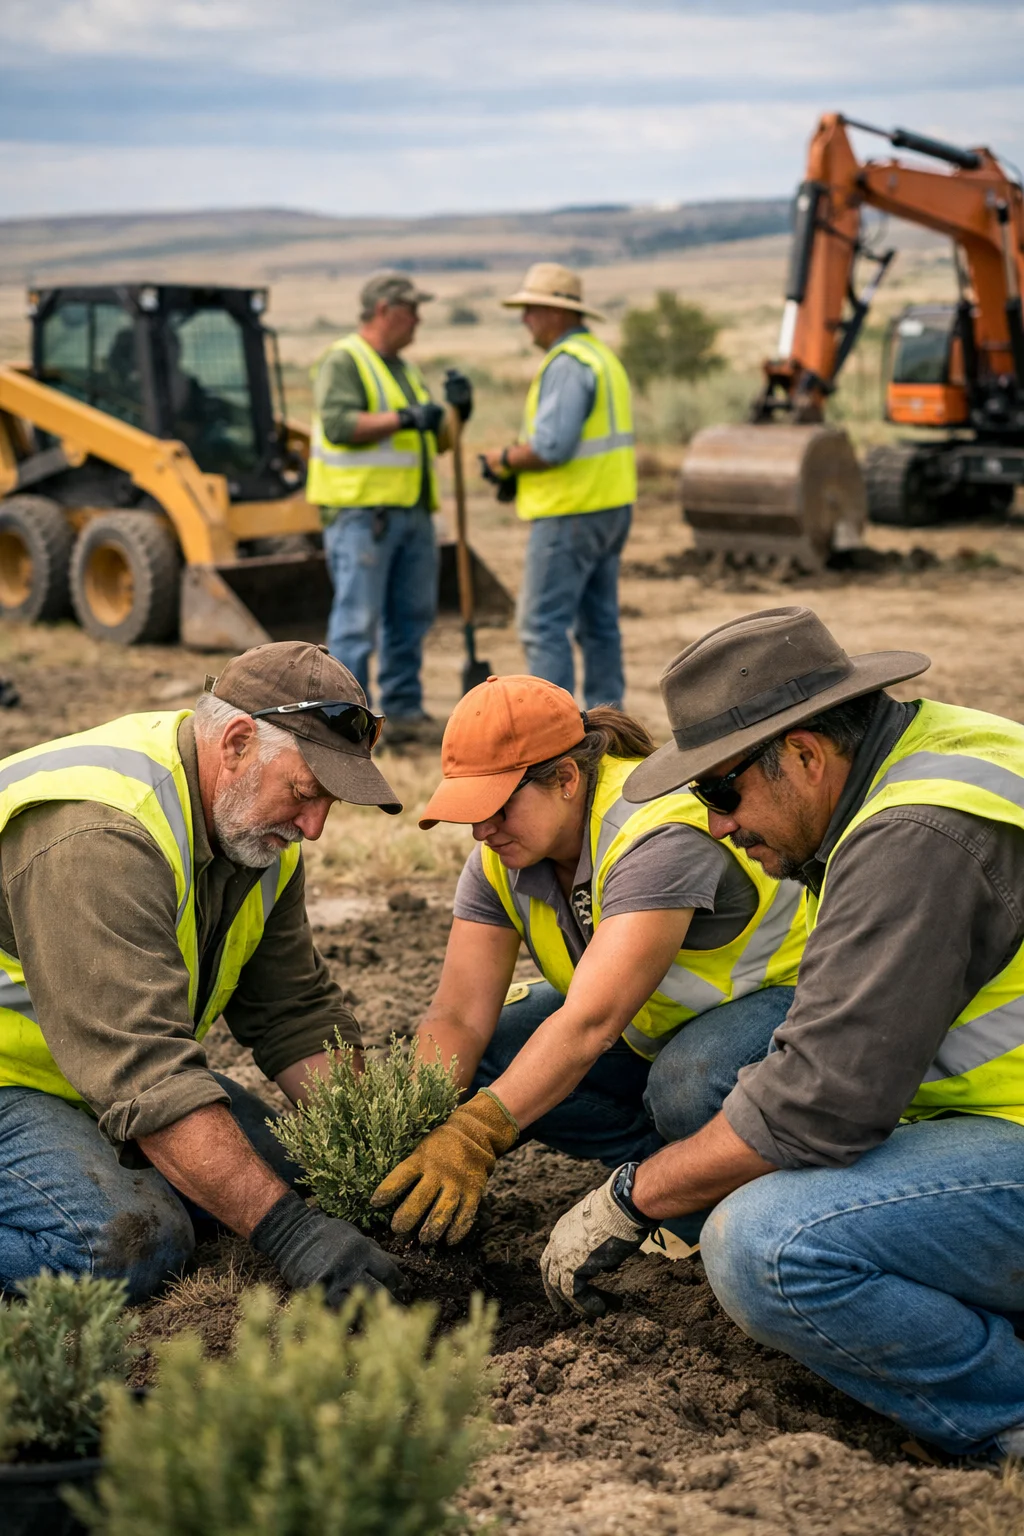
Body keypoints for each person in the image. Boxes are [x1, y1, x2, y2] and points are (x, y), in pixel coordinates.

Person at [540, 604, 1024, 1462]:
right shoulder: (927, 757)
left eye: (721, 790)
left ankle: (1003, 1412)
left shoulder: (913, 836)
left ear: (803, 753)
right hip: (994, 1111)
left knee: (765, 1244)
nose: (718, 823)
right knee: (719, 1079)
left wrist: (633, 1197)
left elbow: (818, 1109)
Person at [0, 640, 409, 1307]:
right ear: (239, 741)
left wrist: (375, 1156)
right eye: (306, 793)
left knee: (301, 1176)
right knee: (128, 1245)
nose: (315, 826)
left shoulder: (252, 829)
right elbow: (148, 1073)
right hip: (18, 1082)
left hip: (84, 1073)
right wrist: (294, 1237)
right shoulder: (101, 835)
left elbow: (294, 1014)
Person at [370, 672, 805, 1246]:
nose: (481, 830)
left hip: (785, 1009)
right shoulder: (502, 857)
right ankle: (660, 1175)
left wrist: (475, 1133)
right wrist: (410, 1128)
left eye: (496, 807)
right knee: (498, 1048)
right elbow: (457, 1015)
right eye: (470, 811)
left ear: (567, 779)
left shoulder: (657, 832)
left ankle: (724, 1206)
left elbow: (591, 1023)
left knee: (686, 1081)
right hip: (657, 1022)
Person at [307, 270, 474, 744]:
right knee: (357, 623)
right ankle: (343, 724)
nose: (418, 319)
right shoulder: (345, 360)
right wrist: (405, 418)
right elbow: (339, 425)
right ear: (384, 310)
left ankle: (402, 712)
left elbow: (435, 440)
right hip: (363, 514)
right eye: (412, 309)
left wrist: (459, 412)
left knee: (411, 617)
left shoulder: (404, 369)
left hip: (411, 512)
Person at [482, 264, 636, 710]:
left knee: (541, 624)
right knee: (599, 624)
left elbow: (552, 447)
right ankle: (610, 722)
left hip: (571, 512)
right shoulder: (600, 357)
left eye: (532, 309)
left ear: (556, 312)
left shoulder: (568, 365)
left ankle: (556, 732)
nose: (525, 318)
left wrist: (503, 460)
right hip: (609, 508)